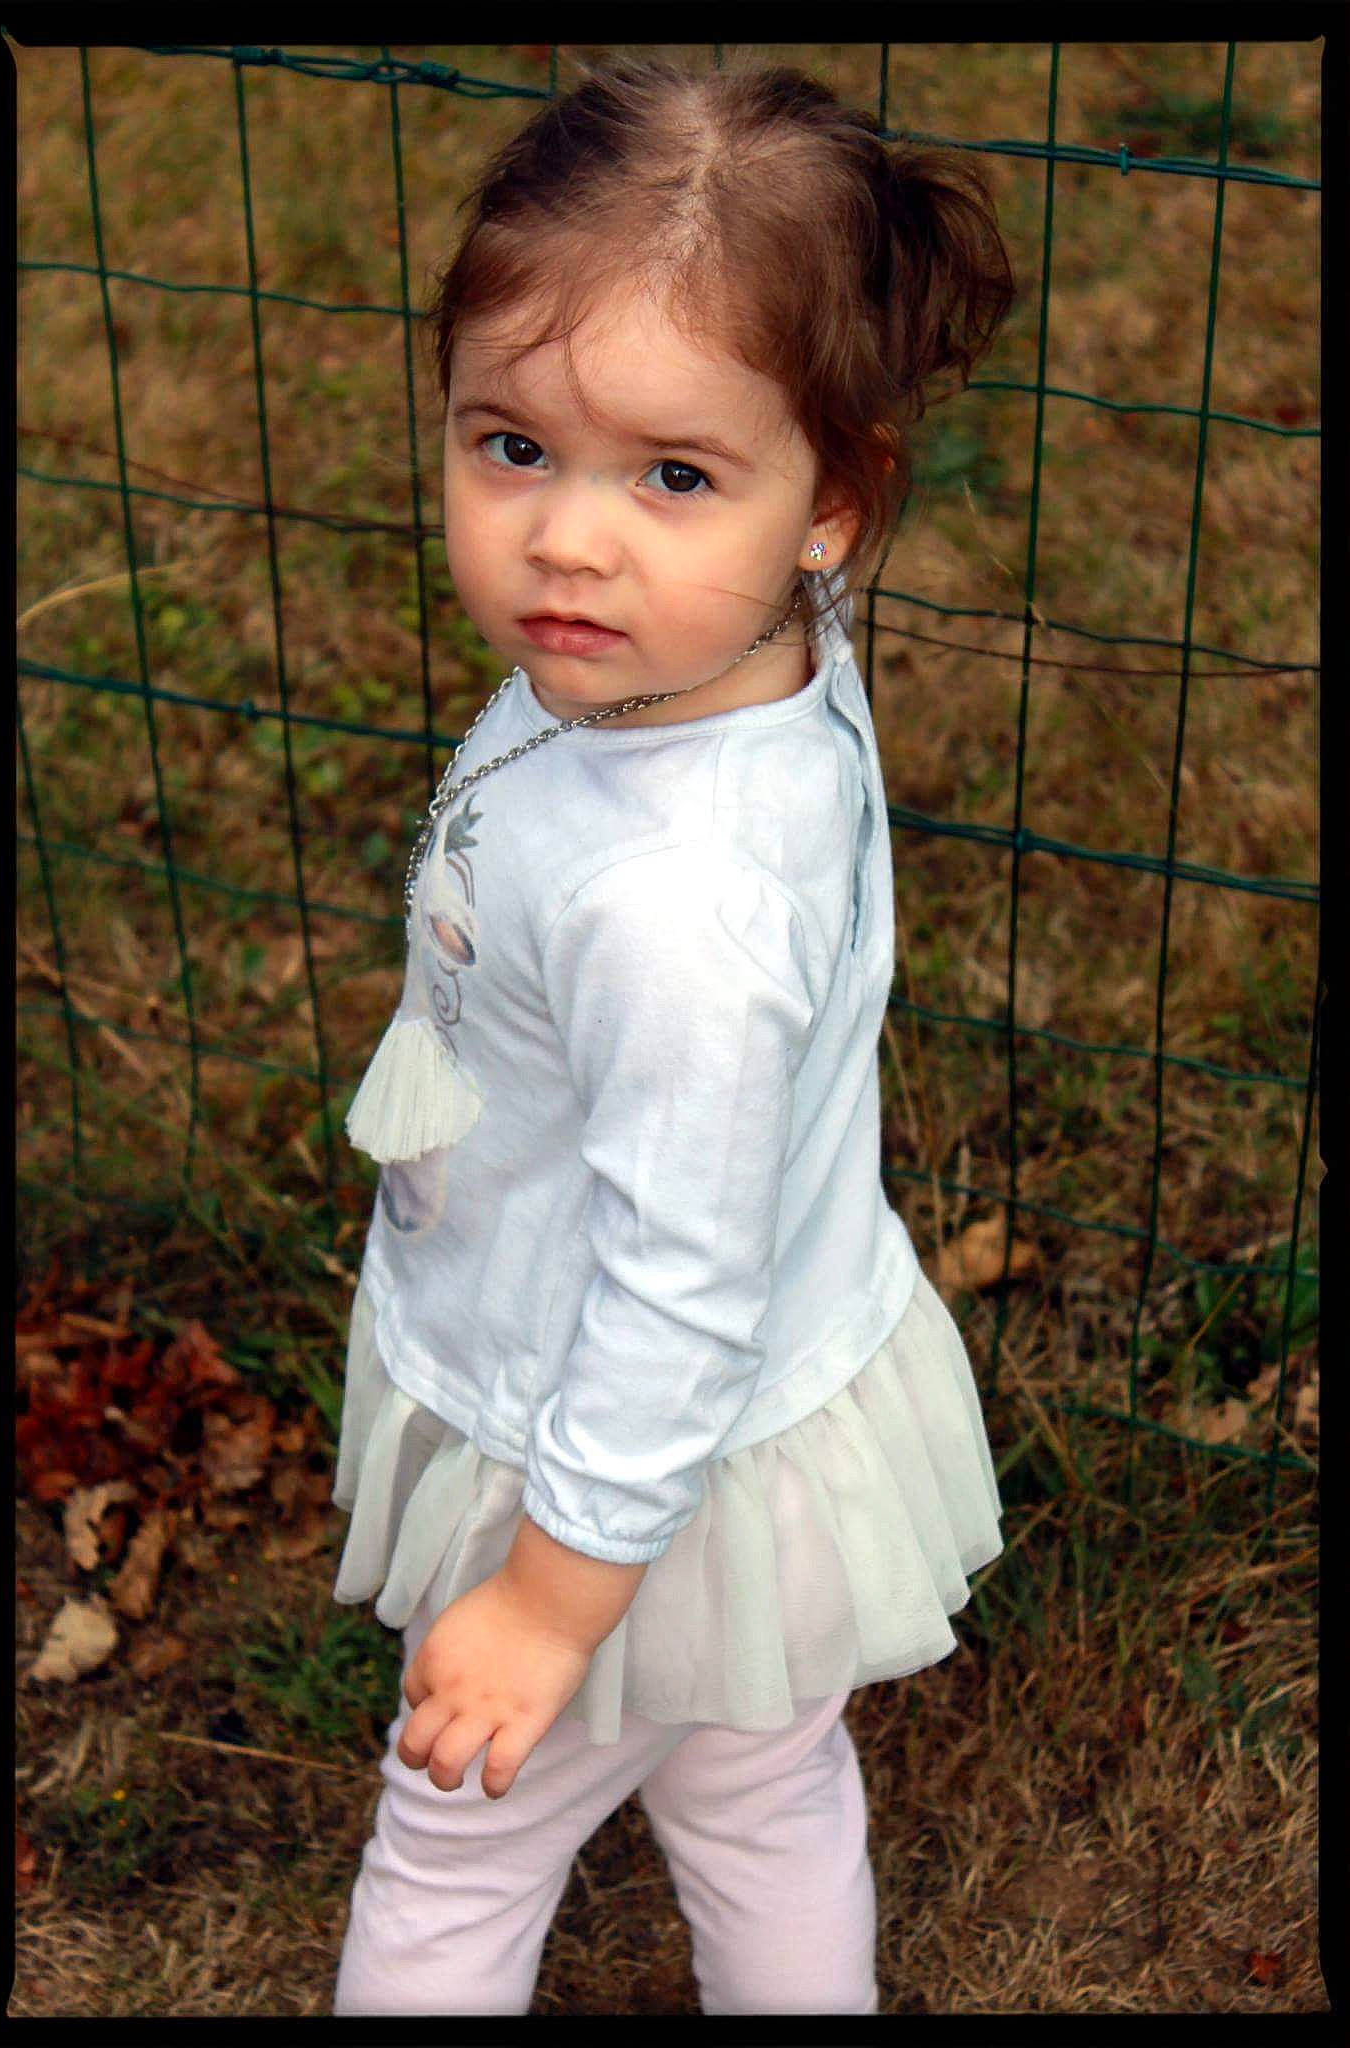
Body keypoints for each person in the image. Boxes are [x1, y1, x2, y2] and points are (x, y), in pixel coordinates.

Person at [329, 50, 1015, 2018]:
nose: (567, 542)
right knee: (763, 1787)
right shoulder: (722, 657)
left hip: (611, 1456)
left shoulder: (675, 904)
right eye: (508, 446)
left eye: (670, 476)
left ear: (834, 506)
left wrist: (550, 1601)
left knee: (454, 1840)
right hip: (749, 1415)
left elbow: (673, 1278)